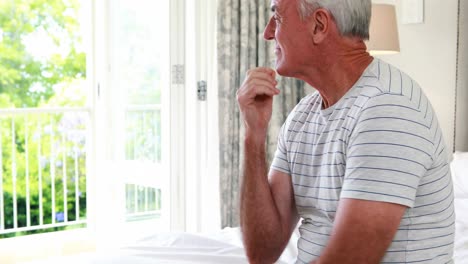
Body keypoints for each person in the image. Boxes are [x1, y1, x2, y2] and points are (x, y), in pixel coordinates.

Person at [236, 0, 455, 263]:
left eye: (278, 18)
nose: (268, 32)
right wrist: (253, 135)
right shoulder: (302, 116)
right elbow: (261, 251)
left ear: (319, 25)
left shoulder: (388, 107)